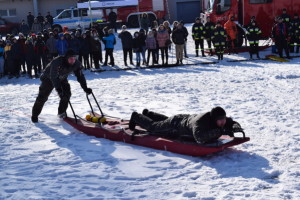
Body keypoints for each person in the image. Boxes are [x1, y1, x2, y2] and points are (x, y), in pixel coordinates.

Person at [31, 49, 92, 123]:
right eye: (71, 59)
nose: (73, 60)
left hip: (62, 78)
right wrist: (59, 90)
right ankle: (35, 115)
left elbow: (80, 76)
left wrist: (85, 88)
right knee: (42, 97)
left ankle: (61, 112)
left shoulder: (77, 63)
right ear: (66, 58)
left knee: (66, 94)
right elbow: (53, 76)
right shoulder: (57, 61)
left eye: (74, 58)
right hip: (48, 78)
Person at [129, 107, 243, 144]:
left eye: (223, 119)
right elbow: (200, 138)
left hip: (183, 119)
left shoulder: (218, 118)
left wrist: (234, 126)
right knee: (153, 128)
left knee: (163, 121)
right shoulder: (200, 123)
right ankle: (136, 116)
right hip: (175, 125)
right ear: (214, 119)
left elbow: (230, 122)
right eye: (221, 120)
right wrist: (221, 131)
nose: (223, 122)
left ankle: (149, 114)